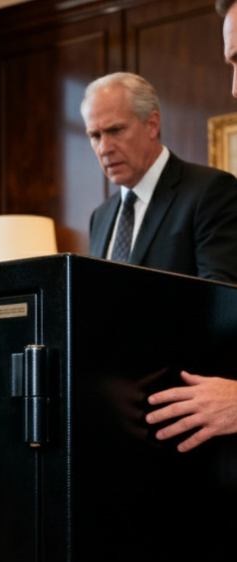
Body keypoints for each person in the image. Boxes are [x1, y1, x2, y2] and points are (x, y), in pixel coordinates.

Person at [82, 70, 237, 450]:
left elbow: (220, 303)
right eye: (94, 135)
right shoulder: (101, 216)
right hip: (113, 415)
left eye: (115, 130)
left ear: (152, 124)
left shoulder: (210, 191)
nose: (104, 148)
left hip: (187, 415)